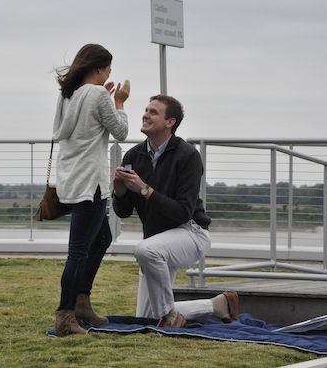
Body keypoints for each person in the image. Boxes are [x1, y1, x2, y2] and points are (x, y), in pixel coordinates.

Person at [112, 95, 238, 328]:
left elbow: (182, 212)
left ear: (170, 122)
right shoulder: (133, 155)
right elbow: (123, 212)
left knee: (144, 250)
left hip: (190, 233)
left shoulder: (188, 155)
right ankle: (217, 305)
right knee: (148, 319)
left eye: (153, 112)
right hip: (156, 242)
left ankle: (170, 316)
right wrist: (119, 192)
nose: (145, 115)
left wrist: (144, 190)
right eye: (146, 110)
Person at [52, 44, 130, 336]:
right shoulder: (98, 95)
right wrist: (119, 102)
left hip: (73, 178)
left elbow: (77, 128)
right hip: (92, 182)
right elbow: (121, 131)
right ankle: (65, 316)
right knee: (80, 251)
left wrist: (107, 101)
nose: (110, 74)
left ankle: (81, 302)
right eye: (109, 69)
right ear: (98, 68)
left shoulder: (68, 95)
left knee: (102, 238)